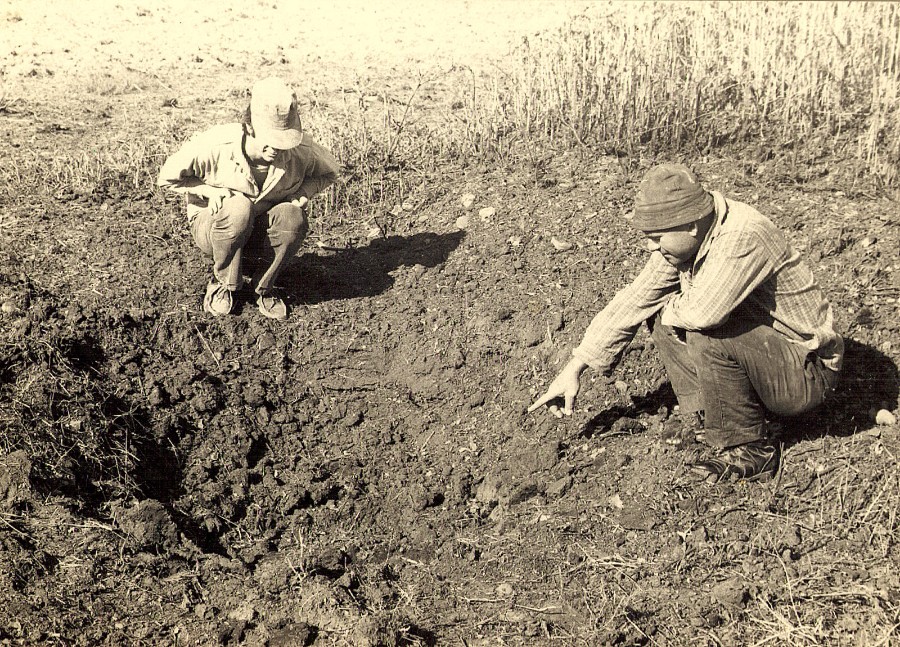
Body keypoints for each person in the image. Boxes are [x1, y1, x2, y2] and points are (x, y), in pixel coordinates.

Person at [528, 164, 843, 482]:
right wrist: (574, 368)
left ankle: (752, 450)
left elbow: (703, 314)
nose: (651, 247)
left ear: (690, 225)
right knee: (661, 309)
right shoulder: (690, 237)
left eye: (656, 238)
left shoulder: (742, 235)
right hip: (768, 361)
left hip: (806, 374)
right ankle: (710, 415)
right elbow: (635, 299)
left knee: (705, 329)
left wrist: (670, 309)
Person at [158, 77, 339, 320]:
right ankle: (224, 283)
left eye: (282, 140)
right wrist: (209, 191)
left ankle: (264, 286)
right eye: (270, 138)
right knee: (238, 208)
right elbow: (167, 178)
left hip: (261, 227)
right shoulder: (216, 145)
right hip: (216, 227)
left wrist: (301, 195)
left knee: (292, 216)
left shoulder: (300, 152)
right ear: (249, 127)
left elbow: (329, 173)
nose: (276, 148)